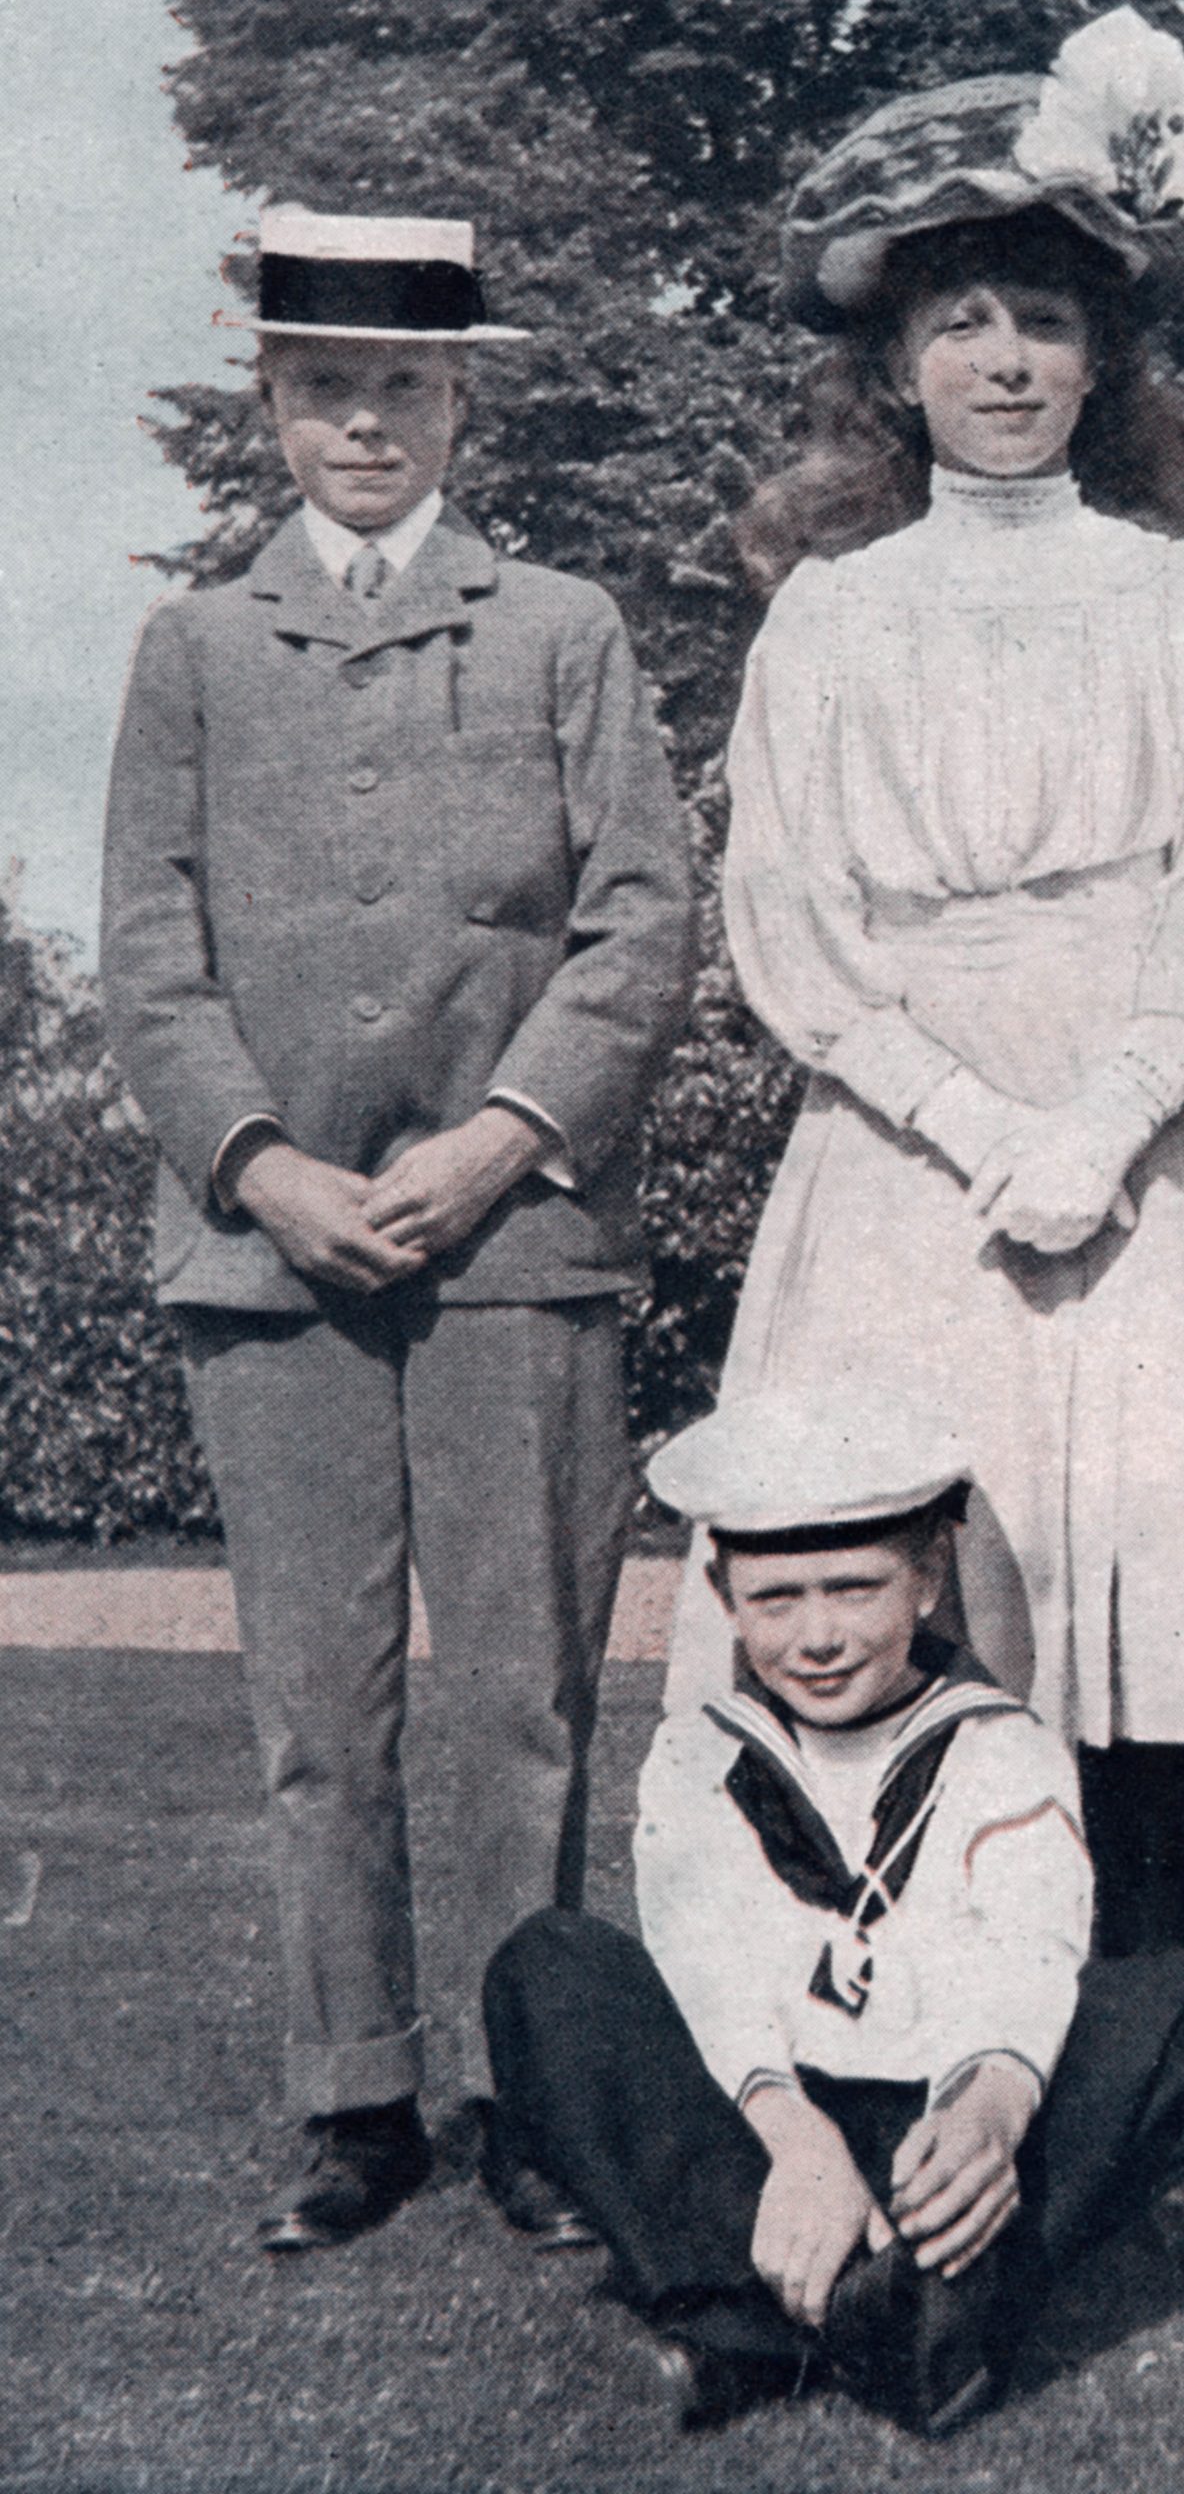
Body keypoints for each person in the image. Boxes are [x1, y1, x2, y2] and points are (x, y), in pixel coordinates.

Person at [663, 9, 1184, 1956]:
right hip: (910, 1154)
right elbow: (792, 921)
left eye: (1044, 322)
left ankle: (1134, 2030)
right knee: (922, 1559)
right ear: (895, 367)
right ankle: (921, 2004)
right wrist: (984, 1125)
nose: (1005, 362)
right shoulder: (831, 615)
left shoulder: (1180, 601)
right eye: (964, 322)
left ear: (1101, 356)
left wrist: (1096, 1121)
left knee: (1127, 1573)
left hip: (1140, 1146)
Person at [99, 207, 696, 2251]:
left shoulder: (561, 628)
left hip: (516, 1240)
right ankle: (353, 2092)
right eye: (328, 386)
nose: (367, 422)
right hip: (272, 1256)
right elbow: (147, 949)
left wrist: (511, 1131)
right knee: (313, 1703)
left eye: (406, 387)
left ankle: (534, 2083)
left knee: (525, 1687)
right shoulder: (192, 645)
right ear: (273, 399)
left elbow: (640, 918)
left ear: (463, 401)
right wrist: (258, 1161)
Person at [483, 1385, 1184, 2437]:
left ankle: (745, 2326)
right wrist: (797, 2141)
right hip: (763, 2125)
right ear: (722, 1593)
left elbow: (1028, 1951)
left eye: (854, 1589)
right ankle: (912, 2315)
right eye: (776, 1599)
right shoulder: (699, 1751)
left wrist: (987, 2109)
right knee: (548, 1965)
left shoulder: (996, 1742)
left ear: (928, 1576)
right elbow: (707, 1964)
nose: (817, 1636)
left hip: (933, 2117)